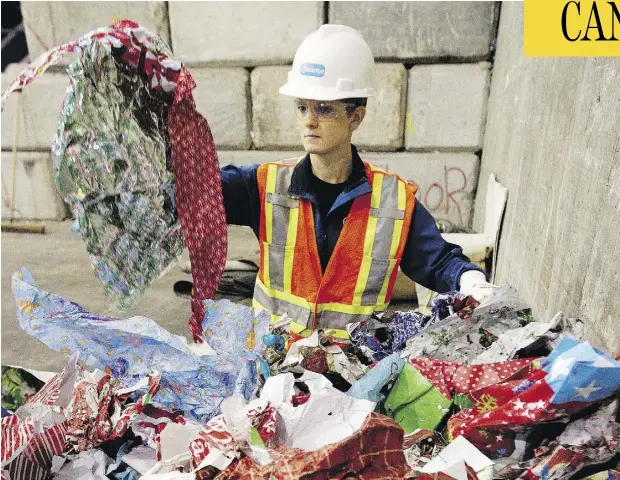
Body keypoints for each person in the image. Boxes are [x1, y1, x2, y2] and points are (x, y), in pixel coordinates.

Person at [221, 24, 492, 340]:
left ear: (355, 117)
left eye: (324, 109)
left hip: (349, 373)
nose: (309, 120)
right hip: (270, 366)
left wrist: (472, 281)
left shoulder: (394, 202)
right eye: (302, 107)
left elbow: (438, 261)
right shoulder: (265, 185)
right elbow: (199, 192)